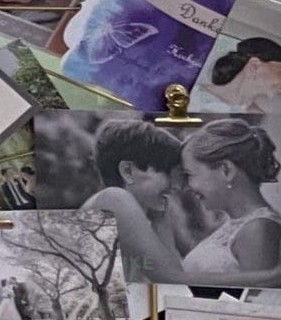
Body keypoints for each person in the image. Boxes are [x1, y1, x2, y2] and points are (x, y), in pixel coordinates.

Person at [85, 117, 195, 282]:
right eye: (166, 172)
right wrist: (247, 280)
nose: (176, 186)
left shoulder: (145, 214)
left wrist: (160, 221)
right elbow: (171, 278)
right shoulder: (114, 197)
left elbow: (174, 273)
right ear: (128, 171)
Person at [178, 119, 281, 289]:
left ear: (226, 170)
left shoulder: (259, 230)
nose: (188, 187)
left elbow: (256, 308)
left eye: (190, 175)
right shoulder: (238, 226)